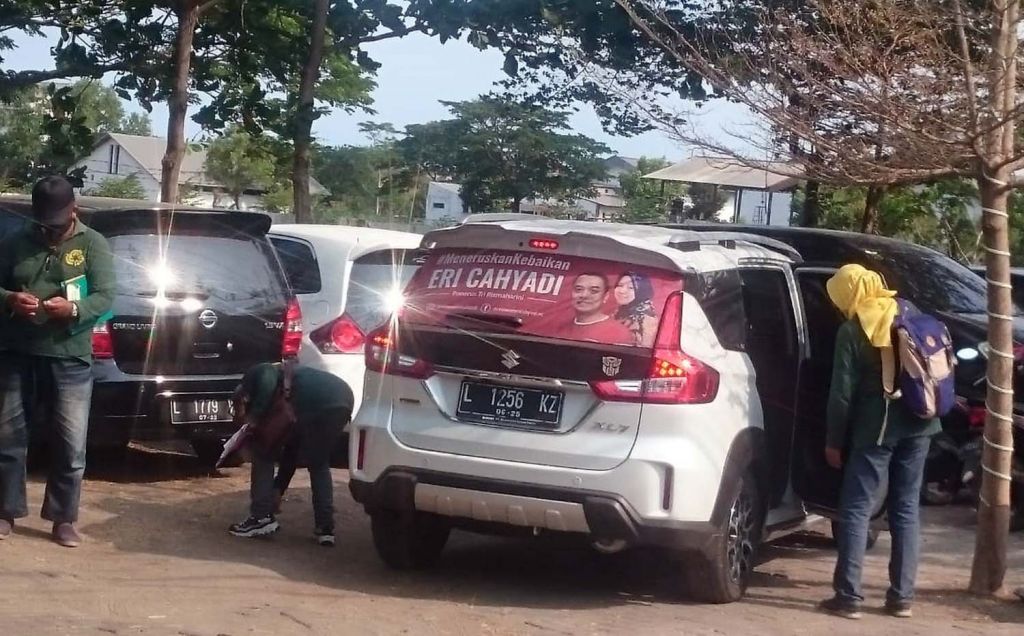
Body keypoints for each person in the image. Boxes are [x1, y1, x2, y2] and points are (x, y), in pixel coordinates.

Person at [818, 264, 941, 620]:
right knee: (905, 509)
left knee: (857, 509)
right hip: (922, 425)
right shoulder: (909, 311)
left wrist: (833, 441)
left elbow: (840, 395)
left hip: (876, 430)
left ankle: (848, 597)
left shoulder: (853, 330)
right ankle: (902, 598)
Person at [0, 176, 115, 548]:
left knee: (70, 444)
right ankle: (5, 511)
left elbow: (106, 296)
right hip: (17, 353)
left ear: (74, 212)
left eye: (57, 223)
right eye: (44, 223)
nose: (49, 230)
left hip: (69, 356)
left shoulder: (93, 244)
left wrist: (75, 308)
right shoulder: (16, 240)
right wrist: (9, 300)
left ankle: (63, 519)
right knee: (9, 438)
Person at [229, 362, 353, 546]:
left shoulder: (252, 376)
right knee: (318, 462)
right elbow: (291, 452)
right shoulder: (293, 391)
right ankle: (325, 529)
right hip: (342, 398)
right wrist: (279, 488)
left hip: (317, 401)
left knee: (263, 453)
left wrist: (254, 418)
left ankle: (261, 518)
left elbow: (267, 375)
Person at [561, 273, 632, 345]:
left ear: (606, 296)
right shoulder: (561, 328)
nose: (584, 295)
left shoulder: (619, 332)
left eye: (594, 291)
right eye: (579, 289)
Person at [613, 272, 658, 347]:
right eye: (620, 285)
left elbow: (645, 349)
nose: (622, 291)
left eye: (631, 287)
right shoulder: (618, 313)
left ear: (641, 291)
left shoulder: (647, 320)